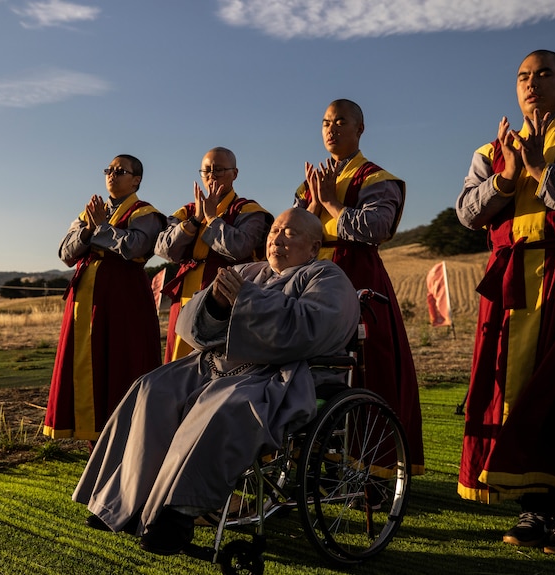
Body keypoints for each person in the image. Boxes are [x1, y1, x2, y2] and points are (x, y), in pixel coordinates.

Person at [73, 208, 359, 555]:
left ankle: (176, 514)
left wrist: (247, 299)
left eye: (290, 233)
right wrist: (217, 303)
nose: (276, 238)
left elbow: (311, 330)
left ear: (313, 248)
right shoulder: (247, 271)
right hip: (214, 363)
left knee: (220, 409)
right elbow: (193, 327)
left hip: (276, 373)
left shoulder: (326, 277)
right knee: (151, 389)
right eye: (274, 231)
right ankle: (121, 501)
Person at [455, 49, 555, 558]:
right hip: (510, 285)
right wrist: (504, 178)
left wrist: (543, 172)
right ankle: (533, 505)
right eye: (524, 76)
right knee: (514, 392)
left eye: (544, 74)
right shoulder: (491, 147)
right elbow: (466, 213)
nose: (532, 83)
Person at [294, 99, 425, 475]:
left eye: (340, 122)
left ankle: (374, 467)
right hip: (310, 281)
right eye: (325, 123)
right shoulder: (310, 183)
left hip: (357, 277)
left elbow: (376, 229)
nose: (331, 129)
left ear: (360, 129)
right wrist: (311, 207)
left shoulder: (376, 178)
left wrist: (331, 203)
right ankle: (322, 461)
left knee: (368, 367)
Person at [43, 154, 165, 442]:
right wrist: (90, 229)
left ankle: (126, 443)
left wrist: (97, 230)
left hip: (124, 302)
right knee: (87, 369)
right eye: (109, 170)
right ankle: (90, 441)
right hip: (84, 304)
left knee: (121, 366)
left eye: (120, 171)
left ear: (136, 180)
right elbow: (65, 253)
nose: (112, 174)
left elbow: (135, 246)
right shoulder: (90, 213)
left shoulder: (146, 213)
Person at [155, 146, 273, 362]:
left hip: (222, 293)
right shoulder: (188, 211)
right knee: (178, 358)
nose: (211, 176)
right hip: (186, 291)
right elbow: (163, 248)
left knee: (216, 359)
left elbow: (239, 249)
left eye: (218, 170)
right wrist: (195, 221)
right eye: (206, 170)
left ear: (234, 174)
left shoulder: (249, 210)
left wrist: (211, 218)